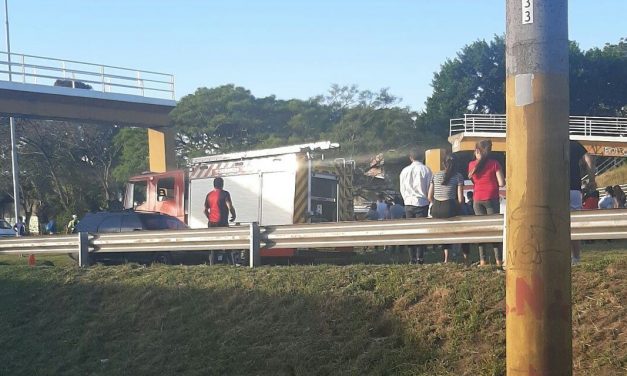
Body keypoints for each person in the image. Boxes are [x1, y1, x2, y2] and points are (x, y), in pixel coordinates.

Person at [468, 140, 505, 266]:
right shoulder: (495, 164)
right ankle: (498, 260)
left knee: (481, 229)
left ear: (477, 151)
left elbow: (473, 179)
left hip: (477, 199)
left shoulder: (471, 165)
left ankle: (483, 260)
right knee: (494, 229)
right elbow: (501, 183)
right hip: (491, 198)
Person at [428, 154, 464, 263]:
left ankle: (446, 257)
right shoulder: (458, 176)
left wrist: (437, 203)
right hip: (449, 206)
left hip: (436, 207)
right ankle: (453, 254)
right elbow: (461, 199)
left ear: (443, 164)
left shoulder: (435, 175)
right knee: (453, 228)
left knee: (444, 230)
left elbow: (429, 196)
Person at [400, 147, 433, 264]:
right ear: (423, 157)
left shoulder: (404, 171)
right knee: (421, 231)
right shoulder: (426, 170)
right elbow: (430, 187)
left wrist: (406, 199)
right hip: (422, 202)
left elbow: (402, 189)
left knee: (410, 231)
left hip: (408, 203)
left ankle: (412, 258)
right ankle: (420, 258)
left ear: (410, 158)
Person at [569, 140, 595, 265]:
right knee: (574, 223)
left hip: (553, 188)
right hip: (573, 188)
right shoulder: (574, 144)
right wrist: (591, 179)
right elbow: (588, 158)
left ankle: (562, 255)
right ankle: (576, 258)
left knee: (557, 223)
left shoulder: (549, 142)